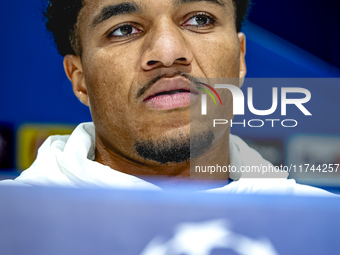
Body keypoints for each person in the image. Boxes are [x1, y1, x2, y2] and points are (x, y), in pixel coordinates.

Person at [1, 0, 332, 196]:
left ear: (241, 57)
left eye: (200, 19)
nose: (168, 53)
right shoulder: (12, 225)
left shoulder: (325, 228)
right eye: (123, 29)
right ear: (80, 79)